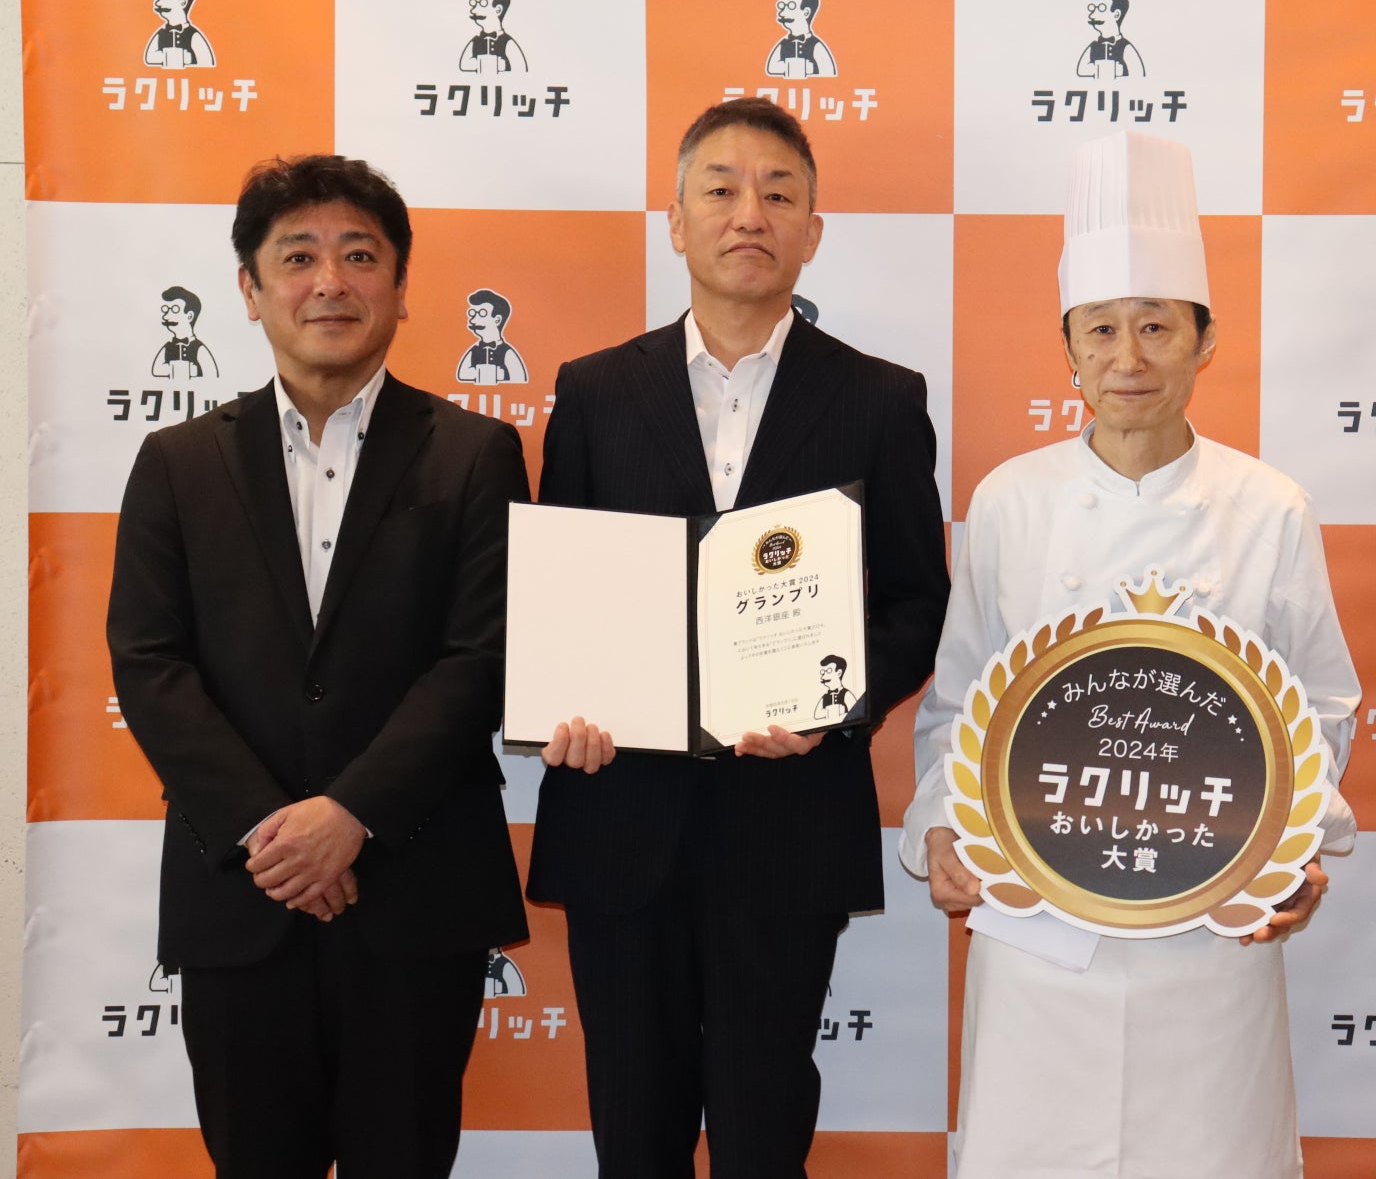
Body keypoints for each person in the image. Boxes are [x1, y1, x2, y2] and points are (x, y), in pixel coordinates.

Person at [903, 129, 1360, 1179]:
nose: (1129, 358)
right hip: (1035, 931)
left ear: (1205, 340)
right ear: (1067, 347)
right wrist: (940, 826)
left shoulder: (1269, 506)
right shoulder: (1010, 500)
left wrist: (1292, 844)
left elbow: (1321, 708)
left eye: (1157, 326)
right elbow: (960, 699)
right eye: (1101, 329)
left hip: (1209, 927)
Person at [526, 96, 950, 1178]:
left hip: (788, 822)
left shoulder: (880, 399)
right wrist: (562, 703)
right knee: (634, 1136)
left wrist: (833, 706)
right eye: (719, 189)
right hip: (621, 816)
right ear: (676, 222)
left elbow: (915, 600)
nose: (748, 213)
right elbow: (563, 591)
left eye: (778, 192)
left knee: (765, 1136)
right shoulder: (595, 390)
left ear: (813, 229)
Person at [106, 154, 530, 1178]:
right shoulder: (178, 462)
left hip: (414, 892)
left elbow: (481, 656)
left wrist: (350, 815)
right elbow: (149, 662)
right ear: (250, 290)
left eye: (359, 256)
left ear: (400, 285)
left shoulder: (475, 453)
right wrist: (270, 828)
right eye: (297, 257)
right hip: (239, 897)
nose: (330, 282)